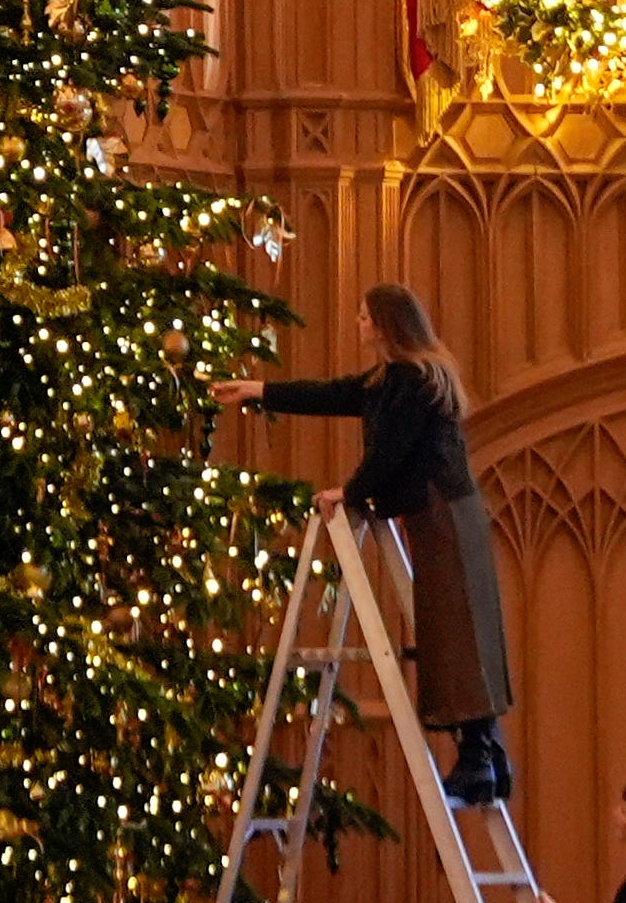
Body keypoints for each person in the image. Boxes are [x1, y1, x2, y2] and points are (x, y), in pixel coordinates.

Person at [219, 284, 520, 804]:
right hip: (438, 511)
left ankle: (479, 760)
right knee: (454, 627)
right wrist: (260, 390)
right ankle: (486, 756)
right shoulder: (390, 379)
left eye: (363, 317)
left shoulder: (415, 379)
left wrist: (351, 491)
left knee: (456, 630)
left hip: (444, 512)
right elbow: (332, 394)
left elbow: (391, 453)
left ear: (384, 324)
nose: (358, 323)